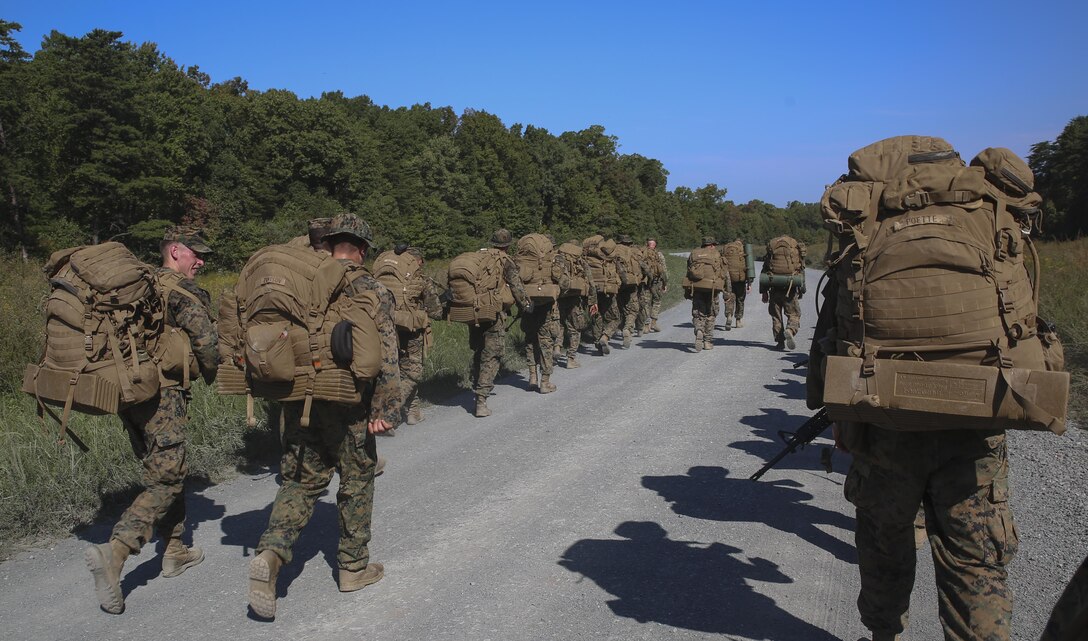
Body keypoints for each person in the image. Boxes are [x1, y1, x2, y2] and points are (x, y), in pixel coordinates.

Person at [248, 213, 400, 619]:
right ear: (363, 250)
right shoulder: (369, 286)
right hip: (350, 402)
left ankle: (271, 554)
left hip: (300, 398)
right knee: (357, 478)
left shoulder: (303, 282)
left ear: (330, 244)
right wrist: (386, 409)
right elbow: (386, 353)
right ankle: (353, 567)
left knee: (300, 481)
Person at [85, 226, 218, 615]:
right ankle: (118, 551)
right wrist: (214, 372)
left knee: (162, 466)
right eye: (196, 253)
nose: (201, 260)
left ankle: (174, 549)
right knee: (169, 475)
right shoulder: (178, 290)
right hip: (163, 394)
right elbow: (206, 340)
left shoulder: (141, 286)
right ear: (175, 251)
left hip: (130, 393)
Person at [375, 245, 444, 427]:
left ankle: (413, 412)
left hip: (386, 328)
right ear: (417, 261)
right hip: (410, 331)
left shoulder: (382, 279)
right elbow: (436, 312)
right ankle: (388, 413)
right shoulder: (420, 279)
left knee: (396, 370)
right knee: (413, 372)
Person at [470, 229, 531, 417]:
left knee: (480, 351)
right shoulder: (506, 261)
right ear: (508, 245)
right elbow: (516, 286)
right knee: (493, 355)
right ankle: (481, 399)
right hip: (495, 314)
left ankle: (476, 383)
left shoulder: (478, 257)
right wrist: (526, 305)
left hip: (474, 312)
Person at [759, 235, 804, 350]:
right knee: (794, 314)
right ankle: (790, 330)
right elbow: (801, 269)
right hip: (790, 287)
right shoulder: (794, 248)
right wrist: (801, 289)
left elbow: (764, 270)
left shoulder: (772, 249)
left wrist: (764, 292)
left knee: (776, 316)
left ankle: (780, 343)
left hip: (774, 287)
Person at [686, 236, 727, 351]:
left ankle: (699, 330)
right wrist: (726, 292)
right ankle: (707, 341)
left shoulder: (694, 253)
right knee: (711, 314)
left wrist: (688, 291)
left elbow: (689, 272)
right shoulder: (716, 254)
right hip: (712, 289)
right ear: (712, 245)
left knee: (698, 313)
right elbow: (723, 274)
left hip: (697, 288)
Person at [613, 234, 648, 348]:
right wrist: (649, 277)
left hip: (617, 284)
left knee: (621, 308)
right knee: (633, 309)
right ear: (629, 243)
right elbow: (644, 266)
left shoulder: (613, 250)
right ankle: (627, 329)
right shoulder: (633, 251)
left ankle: (622, 327)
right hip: (631, 283)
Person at [719, 238, 751, 329]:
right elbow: (748, 267)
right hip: (740, 279)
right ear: (741, 242)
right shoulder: (743, 248)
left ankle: (729, 316)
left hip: (728, 278)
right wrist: (749, 283)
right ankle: (738, 321)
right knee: (740, 300)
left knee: (729, 298)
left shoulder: (725, 247)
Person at [642, 238, 668, 333]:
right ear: (655, 245)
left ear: (646, 244)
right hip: (656, 282)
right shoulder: (659, 255)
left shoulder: (642, 254)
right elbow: (664, 270)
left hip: (645, 283)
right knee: (656, 301)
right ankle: (653, 322)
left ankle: (646, 325)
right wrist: (665, 283)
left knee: (645, 303)